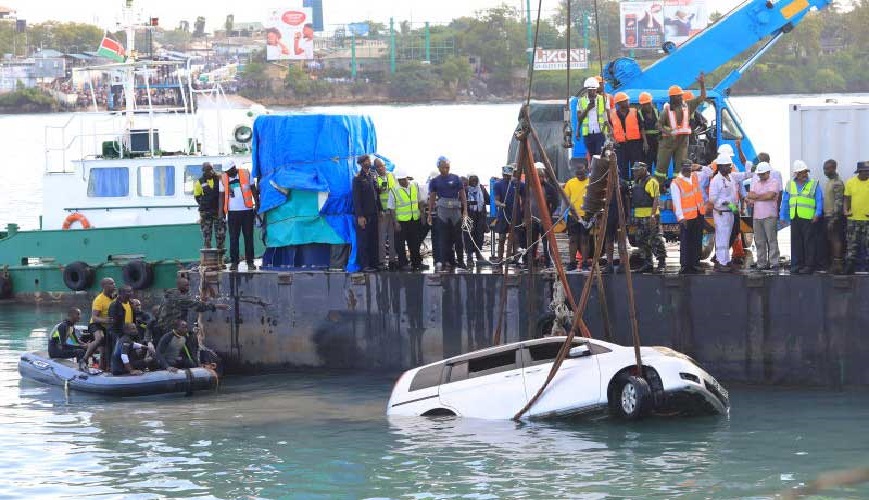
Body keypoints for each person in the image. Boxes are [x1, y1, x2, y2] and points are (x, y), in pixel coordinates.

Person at [655, 73, 706, 181]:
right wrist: (668, 132)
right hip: (667, 142)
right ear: (672, 97)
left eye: (681, 95)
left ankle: (678, 186)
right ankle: (659, 188)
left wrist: (702, 84)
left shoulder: (688, 106)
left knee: (680, 167)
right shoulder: (666, 110)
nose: (681, 97)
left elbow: (702, 97)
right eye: (678, 95)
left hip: (682, 142)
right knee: (661, 168)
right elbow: (658, 125)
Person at [780, 160, 823, 274]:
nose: (805, 174)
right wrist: (783, 216)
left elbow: (819, 199)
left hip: (809, 218)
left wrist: (817, 214)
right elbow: (785, 201)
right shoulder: (790, 184)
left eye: (806, 172)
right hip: (795, 217)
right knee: (796, 242)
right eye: (802, 172)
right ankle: (796, 265)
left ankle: (809, 266)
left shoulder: (814, 183)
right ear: (796, 174)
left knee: (809, 242)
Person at [708, 154, 749, 272]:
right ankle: (721, 262)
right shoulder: (716, 181)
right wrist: (725, 202)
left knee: (727, 237)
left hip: (730, 212)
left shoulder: (731, 177)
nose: (730, 168)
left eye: (730, 165)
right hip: (721, 213)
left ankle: (725, 260)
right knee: (722, 238)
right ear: (720, 167)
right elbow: (713, 199)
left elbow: (745, 175)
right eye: (727, 166)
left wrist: (748, 167)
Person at [155, 276, 226, 344]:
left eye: (188, 285)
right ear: (179, 286)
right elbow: (197, 306)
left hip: (164, 327)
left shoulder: (171, 294)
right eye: (186, 285)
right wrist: (215, 306)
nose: (188, 287)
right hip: (169, 328)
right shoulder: (179, 297)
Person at [427, 156, 468, 271]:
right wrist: (430, 213)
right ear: (439, 167)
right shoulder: (435, 181)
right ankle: (444, 261)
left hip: (455, 209)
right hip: (442, 210)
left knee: (458, 237)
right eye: (444, 167)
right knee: (443, 237)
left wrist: (465, 210)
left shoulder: (456, 178)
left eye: (448, 167)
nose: (446, 169)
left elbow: (462, 194)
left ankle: (460, 261)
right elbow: (432, 198)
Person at [220, 161, 259, 271]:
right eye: (226, 172)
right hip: (232, 213)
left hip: (247, 211)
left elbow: (253, 188)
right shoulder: (223, 178)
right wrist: (221, 213)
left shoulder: (246, 173)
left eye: (229, 171)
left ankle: (250, 262)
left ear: (234, 168)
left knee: (248, 238)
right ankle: (234, 262)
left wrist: (257, 203)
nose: (228, 174)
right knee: (233, 239)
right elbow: (221, 196)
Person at [671, 160, 707, 274]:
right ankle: (685, 265)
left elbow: (710, 171)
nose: (688, 171)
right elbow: (676, 202)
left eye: (690, 168)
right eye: (686, 169)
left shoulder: (695, 176)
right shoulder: (676, 183)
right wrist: (681, 217)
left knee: (697, 240)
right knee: (686, 241)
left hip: (699, 213)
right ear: (682, 169)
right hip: (687, 217)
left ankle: (695, 263)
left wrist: (700, 166)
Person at [631, 163, 667, 273]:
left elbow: (656, 199)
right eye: (634, 171)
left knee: (655, 239)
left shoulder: (651, 181)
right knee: (641, 240)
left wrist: (652, 215)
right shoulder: (636, 182)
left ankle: (661, 263)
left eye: (637, 170)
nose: (635, 172)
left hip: (650, 216)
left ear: (644, 169)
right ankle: (648, 263)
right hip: (639, 216)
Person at [746, 162, 782, 271]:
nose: (760, 176)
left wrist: (756, 197)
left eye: (762, 174)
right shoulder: (756, 183)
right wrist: (762, 196)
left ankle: (774, 263)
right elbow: (750, 195)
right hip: (757, 216)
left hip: (770, 215)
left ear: (768, 172)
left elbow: (770, 195)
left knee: (772, 240)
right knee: (759, 241)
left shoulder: (774, 182)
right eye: (759, 174)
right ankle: (761, 263)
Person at [388, 170, 424, 271]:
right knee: (400, 244)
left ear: (407, 178)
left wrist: (422, 215)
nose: (402, 181)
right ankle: (403, 263)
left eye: (404, 179)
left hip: (414, 219)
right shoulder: (394, 190)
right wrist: (395, 222)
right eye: (400, 180)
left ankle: (416, 262)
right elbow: (391, 208)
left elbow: (420, 201)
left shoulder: (414, 186)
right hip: (401, 222)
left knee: (415, 242)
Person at [352, 155, 380, 272]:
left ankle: (374, 263)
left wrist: (380, 209)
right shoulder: (358, 179)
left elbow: (375, 195)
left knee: (374, 239)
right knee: (364, 241)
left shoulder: (372, 176)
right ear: (361, 163)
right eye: (366, 161)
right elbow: (356, 199)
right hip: (364, 215)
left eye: (368, 160)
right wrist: (360, 216)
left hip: (374, 213)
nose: (369, 162)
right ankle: (365, 265)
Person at [492, 165, 525, 265]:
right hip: (503, 214)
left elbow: (524, 198)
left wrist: (523, 214)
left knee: (516, 238)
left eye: (509, 175)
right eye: (505, 175)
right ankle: (500, 258)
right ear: (502, 174)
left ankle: (517, 259)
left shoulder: (519, 184)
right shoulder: (498, 184)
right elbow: (496, 200)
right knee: (502, 238)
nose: (507, 177)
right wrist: (500, 204)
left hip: (516, 214)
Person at [528, 163, 559, 269]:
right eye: (538, 176)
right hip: (533, 218)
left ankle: (547, 260)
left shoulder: (549, 188)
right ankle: (530, 260)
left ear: (544, 177)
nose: (539, 178)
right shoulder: (530, 186)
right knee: (532, 241)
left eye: (541, 176)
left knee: (546, 241)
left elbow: (555, 202)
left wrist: (549, 213)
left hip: (544, 219)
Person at [563, 159, 590, 271]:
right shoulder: (570, 183)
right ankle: (572, 262)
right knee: (573, 239)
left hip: (586, 215)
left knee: (584, 239)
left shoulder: (591, 182)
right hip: (572, 215)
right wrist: (564, 215)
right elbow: (566, 199)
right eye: (577, 174)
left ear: (586, 171)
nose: (579, 175)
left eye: (581, 173)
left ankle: (584, 262)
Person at [610, 92, 645, 180]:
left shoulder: (635, 112)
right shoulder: (612, 115)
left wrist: (645, 142)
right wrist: (613, 140)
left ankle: (635, 185)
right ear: (619, 103)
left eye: (627, 100)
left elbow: (642, 128)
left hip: (635, 144)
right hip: (620, 145)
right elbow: (610, 130)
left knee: (636, 166)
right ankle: (624, 186)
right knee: (622, 167)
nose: (627, 102)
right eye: (625, 101)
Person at [820, 159, 846, 273]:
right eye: (824, 169)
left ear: (833, 168)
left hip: (834, 217)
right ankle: (833, 264)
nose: (825, 171)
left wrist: (834, 219)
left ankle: (837, 264)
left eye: (827, 168)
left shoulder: (837, 182)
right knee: (831, 239)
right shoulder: (830, 181)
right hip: (827, 216)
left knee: (836, 239)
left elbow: (839, 202)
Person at [193, 162, 225, 250]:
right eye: (207, 170)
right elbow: (197, 196)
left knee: (220, 234)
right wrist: (205, 205)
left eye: (211, 169)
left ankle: (220, 255)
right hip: (206, 212)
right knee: (206, 234)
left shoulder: (219, 179)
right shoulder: (199, 182)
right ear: (204, 171)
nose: (210, 172)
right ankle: (208, 254)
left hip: (218, 211)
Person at [844, 161, 869, 274]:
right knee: (851, 244)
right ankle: (849, 267)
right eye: (865, 171)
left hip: (867, 219)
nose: (867, 173)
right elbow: (846, 198)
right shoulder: (850, 182)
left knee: (867, 244)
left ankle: (866, 267)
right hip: (853, 219)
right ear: (859, 171)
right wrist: (845, 210)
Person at [373, 158, 398, 270]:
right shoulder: (374, 178)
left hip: (393, 211)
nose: (381, 168)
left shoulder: (391, 176)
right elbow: (374, 196)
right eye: (378, 167)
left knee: (393, 237)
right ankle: (382, 261)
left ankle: (393, 260)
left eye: (382, 165)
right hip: (382, 213)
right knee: (382, 238)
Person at [576, 77, 608, 158]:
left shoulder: (603, 99)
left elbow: (607, 116)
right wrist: (587, 109)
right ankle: (595, 170)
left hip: (601, 132)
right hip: (588, 134)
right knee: (592, 155)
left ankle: (600, 170)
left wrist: (609, 129)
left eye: (594, 89)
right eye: (590, 89)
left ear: (596, 89)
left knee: (600, 154)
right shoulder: (581, 101)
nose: (592, 91)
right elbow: (579, 119)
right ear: (587, 89)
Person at [464, 174, 490, 266]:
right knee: (468, 236)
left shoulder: (482, 189)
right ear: (469, 181)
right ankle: (469, 257)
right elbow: (462, 203)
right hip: (469, 216)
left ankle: (478, 254)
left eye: (476, 180)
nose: (474, 182)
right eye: (472, 180)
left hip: (480, 216)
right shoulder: (465, 190)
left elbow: (489, 200)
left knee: (479, 236)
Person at [87, 277, 114, 368]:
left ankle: (104, 369)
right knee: (100, 338)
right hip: (96, 324)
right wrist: (106, 320)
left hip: (107, 327)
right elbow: (94, 318)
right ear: (104, 286)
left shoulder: (114, 298)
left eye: (113, 283)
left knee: (104, 352)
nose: (114, 285)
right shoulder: (99, 299)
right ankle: (85, 358)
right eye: (111, 284)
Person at [638, 92, 660, 173]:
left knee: (659, 162)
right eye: (644, 104)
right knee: (648, 162)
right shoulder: (640, 113)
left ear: (651, 102)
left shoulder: (657, 111)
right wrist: (645, 143)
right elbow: (642, 128)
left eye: (648, 103)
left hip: (657, 140)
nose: (646, 106)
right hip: (647, 140)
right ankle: (648, 180)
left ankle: (661, 181)